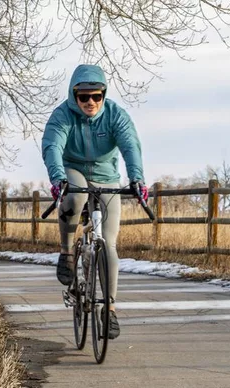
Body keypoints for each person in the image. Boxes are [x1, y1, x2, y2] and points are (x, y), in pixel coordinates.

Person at [41, 64, 149, 340]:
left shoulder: (115, 115)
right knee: (75, 196)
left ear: (104, 95)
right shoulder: (62, 116)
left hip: (105, 174)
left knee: (110, 244)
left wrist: (137, 179)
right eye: (84, 97)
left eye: (96, 96)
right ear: (73, 96)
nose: (90, 102)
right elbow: (52, 146)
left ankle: (109, 309)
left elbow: (130, 146)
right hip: (72, 169)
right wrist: (57, 179)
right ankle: (66, 253)